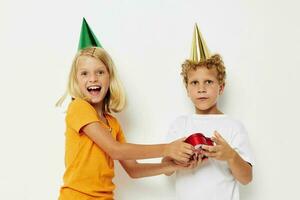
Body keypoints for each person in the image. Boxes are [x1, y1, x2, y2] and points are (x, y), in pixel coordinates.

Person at [56, 18, 196, 200]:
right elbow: (116, 150)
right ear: (76, 80)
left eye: (100, 72)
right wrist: (167, 148)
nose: (93, 79)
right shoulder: (78, 107)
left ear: (109, 77)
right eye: (85, 73)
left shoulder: (112, 123)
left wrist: (174, 166)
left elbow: (134, 170)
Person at [163, 24, 254, 200]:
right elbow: (166, 170)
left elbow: (246, 178)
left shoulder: (233, 126)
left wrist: (230, 156)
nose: (201, 89)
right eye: (194, 83)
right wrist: (178, 158)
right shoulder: (180, 124)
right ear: (187, 89)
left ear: (221, 87)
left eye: (209, 82)